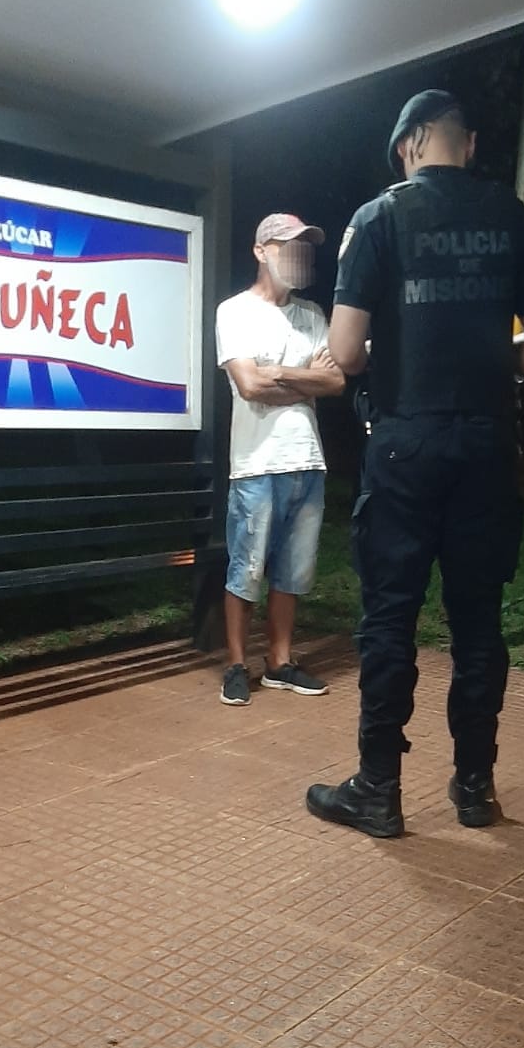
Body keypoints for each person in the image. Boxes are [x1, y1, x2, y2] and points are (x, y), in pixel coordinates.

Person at [306, 91, 524, 837]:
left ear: (409, 144)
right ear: (469, 143)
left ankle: (378, 790)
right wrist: (484, 360)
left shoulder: (378, 218)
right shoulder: (511, 217)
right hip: (488, 445)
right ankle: (475, 789)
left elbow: (345, 351)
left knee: (390, 617)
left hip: (406, 443)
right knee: (479, 624)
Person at [216, 212, 345, 706]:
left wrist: (279, 373)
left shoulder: (312, 314)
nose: (296, 256)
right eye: (286, 247)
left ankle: (279, 662)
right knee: (246, 570)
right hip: (255, 461)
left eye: (303, 249)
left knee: (293, 571)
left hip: (307, 460)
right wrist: (303, 378)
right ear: (260, 251)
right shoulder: (234, 311)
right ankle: (235, 664)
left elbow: (335, 381)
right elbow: (249, 385)